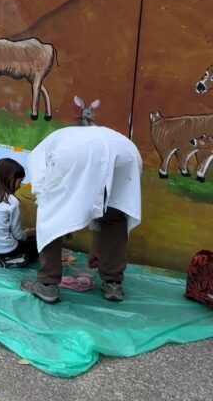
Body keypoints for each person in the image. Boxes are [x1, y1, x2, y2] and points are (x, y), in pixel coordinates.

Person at [21, 126, 143, 304]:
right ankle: (113, 283)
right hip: (127, 152)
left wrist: (58, 224)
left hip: (78, 154)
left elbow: (44, 196)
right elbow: (100, 205)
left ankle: (47, 284)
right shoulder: (69, 138)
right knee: (115, 213)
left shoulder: (38, 155)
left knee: (50, 214)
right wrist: (96, 247)